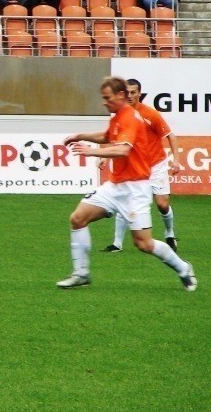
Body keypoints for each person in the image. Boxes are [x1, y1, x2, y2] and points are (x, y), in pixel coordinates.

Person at [56, 76, 196, 292]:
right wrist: (80, 135)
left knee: (143, 244)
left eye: (107, 98)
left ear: (120, 95)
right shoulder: (118, 116)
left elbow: (123, 149)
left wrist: (91, 151)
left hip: (135, 189)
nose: (104, 102)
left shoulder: (131, 117)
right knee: (78, 218)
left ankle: (183, 268)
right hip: (115, 186)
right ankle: (81, 274)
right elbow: (107, 136)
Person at [101, 79, 182, 253]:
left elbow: (171, 136)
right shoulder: (121, 115)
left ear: (139, 94)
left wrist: (175, 160)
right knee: (125, 200)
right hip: (135, 167)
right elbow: (115, 137)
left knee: (162, 204)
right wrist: (104, 155)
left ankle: (169, 233)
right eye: (127, 92)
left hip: (156, 165)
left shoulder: (150, 114)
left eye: (133, 92)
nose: (130, 95)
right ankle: (117, 243)